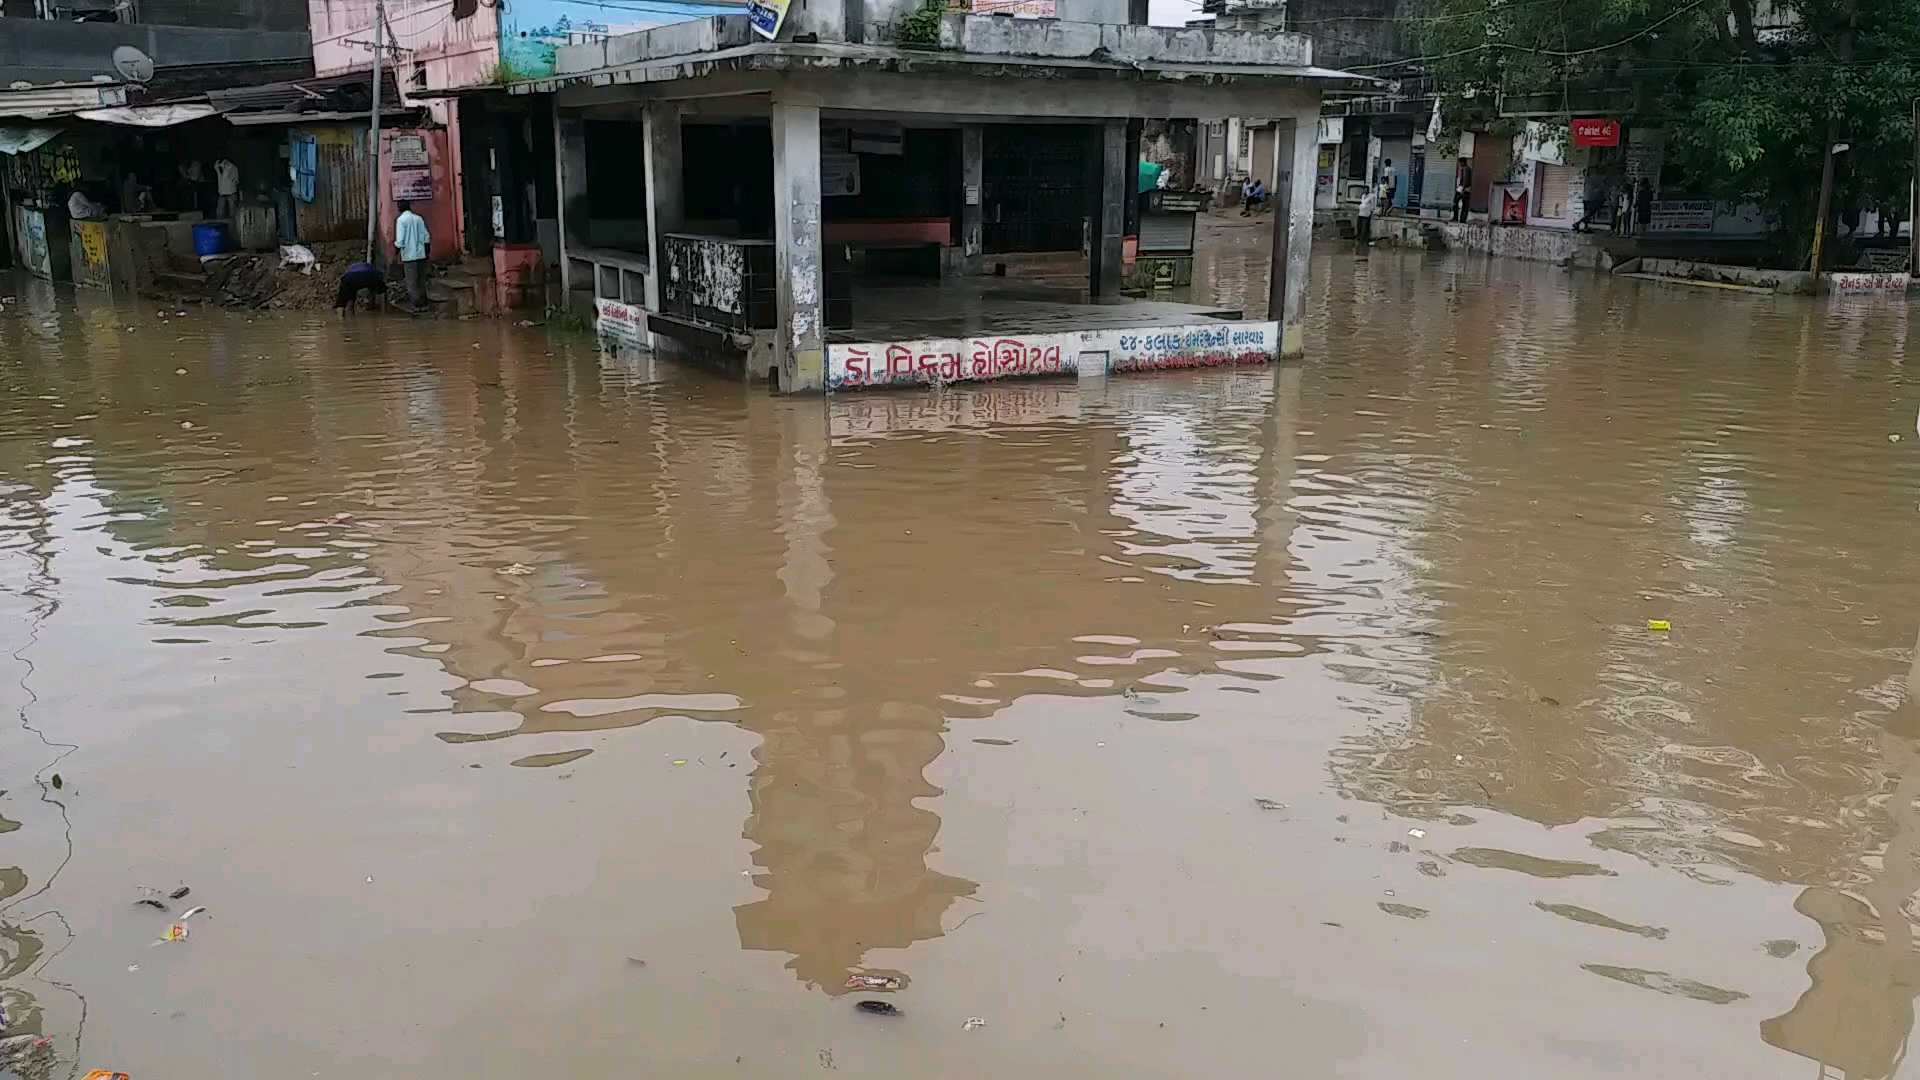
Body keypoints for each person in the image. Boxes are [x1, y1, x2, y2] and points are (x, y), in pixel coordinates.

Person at [394, 199, 430, 311]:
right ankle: (424, 304)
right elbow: (426, 236)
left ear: (399, 208)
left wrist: (396, 251)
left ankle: (416, 305)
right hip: (421, 254)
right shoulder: (418, 218)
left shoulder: (401, 220)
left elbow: (400, 240)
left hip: (409, 256)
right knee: (421, 280)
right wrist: (427, 252)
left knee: (411, 282)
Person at [1452, 158, 1472, 223]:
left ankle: (1457, 218)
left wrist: (1462, 189)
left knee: (1458, 203)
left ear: (1463, 162)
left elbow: (1465, 181)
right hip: (1464, 189)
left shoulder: (1466, 169)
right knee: (1463, 205)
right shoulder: (1466, 169)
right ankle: (1461, 219)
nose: (1459, 164)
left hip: (1464, 189)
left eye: (1460, 162)